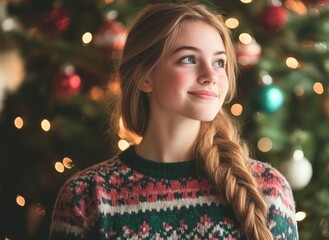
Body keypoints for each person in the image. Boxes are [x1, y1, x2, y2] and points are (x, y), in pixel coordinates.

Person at [50, 1, 298, 239]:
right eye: (188, 59)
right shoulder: (86, 196)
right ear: (144, 77)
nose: (211, 75)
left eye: (219, 62)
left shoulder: (268, 189)